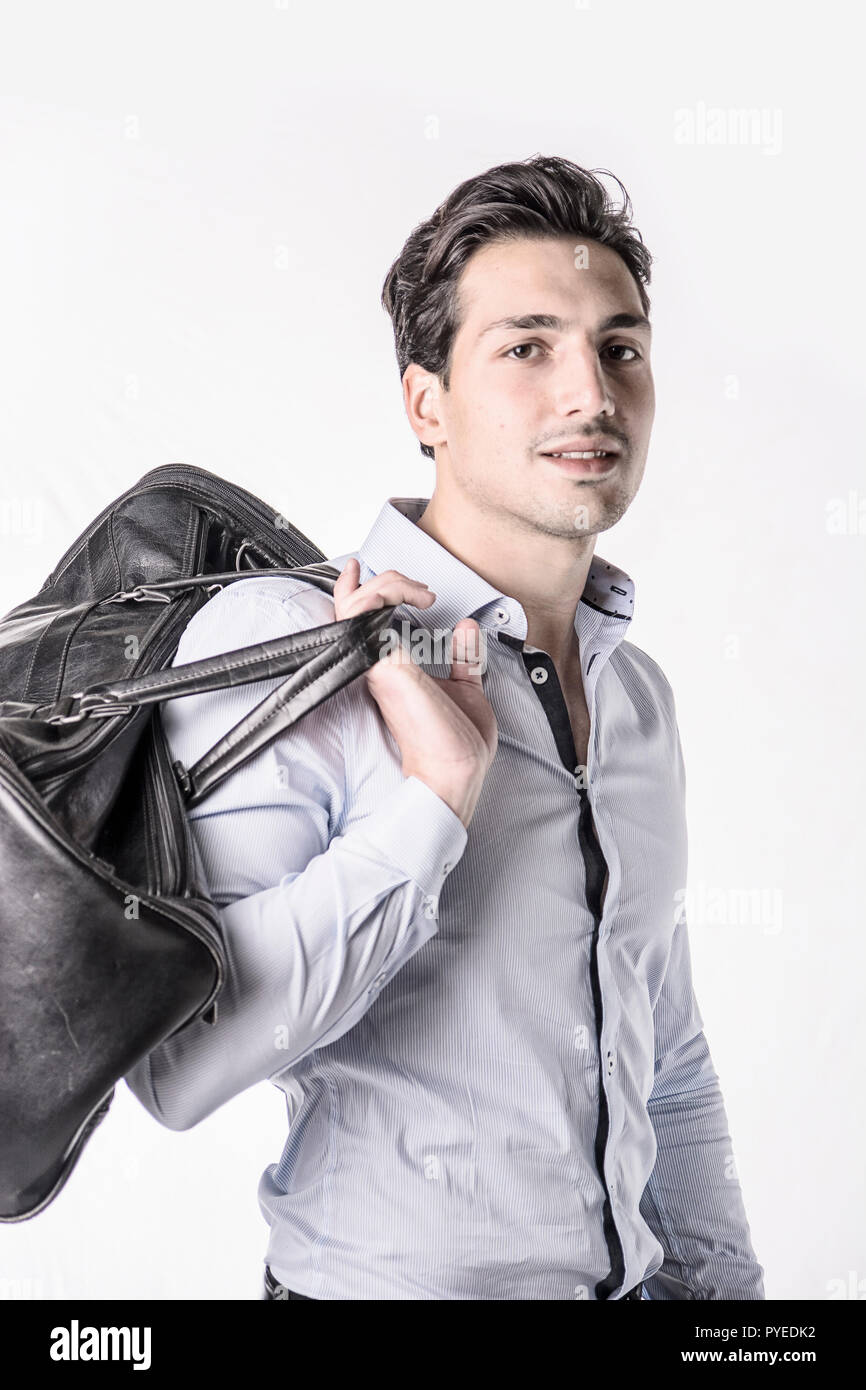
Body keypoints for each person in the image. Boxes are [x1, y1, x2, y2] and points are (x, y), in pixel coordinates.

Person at [124, 154, 765, 1301]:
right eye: (525, 347)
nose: (590, 394)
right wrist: (425, 803)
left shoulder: (638, 694)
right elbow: (180, 1066)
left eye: (618, 348)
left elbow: (662, 1051)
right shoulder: (294, 646)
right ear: (426, 402)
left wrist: (728, 1306)